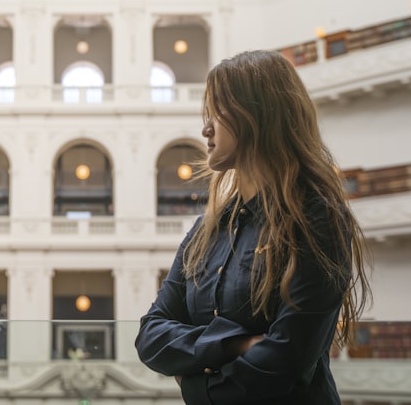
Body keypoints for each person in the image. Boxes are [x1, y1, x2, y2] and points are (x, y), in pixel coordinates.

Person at [136, 50, 371, 404]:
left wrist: (197, 387)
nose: (206, 128)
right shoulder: (207, 230)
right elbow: (151, 335)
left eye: (217, 111)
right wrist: (236, 343)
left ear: (257, 115)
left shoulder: (316, 219)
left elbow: (285, 361)